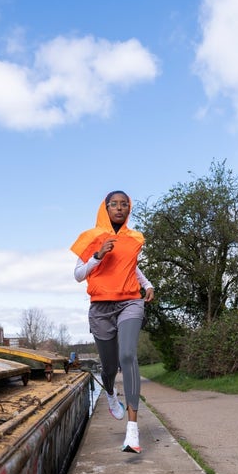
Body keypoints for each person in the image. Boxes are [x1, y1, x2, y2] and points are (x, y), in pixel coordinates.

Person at [71, 190, 154, 454]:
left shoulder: (134, 238)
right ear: (104, 209)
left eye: (124, 205)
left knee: (128, 355)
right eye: (114, 205)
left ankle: (132, 432)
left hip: (130, 301)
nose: (119, 208)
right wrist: (97, 255)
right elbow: (77, 275)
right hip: (101, 307)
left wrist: (146, 284)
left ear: (129, 209)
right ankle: (109, 392)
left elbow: (131, 266)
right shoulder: (90, 237)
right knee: (109, 367)